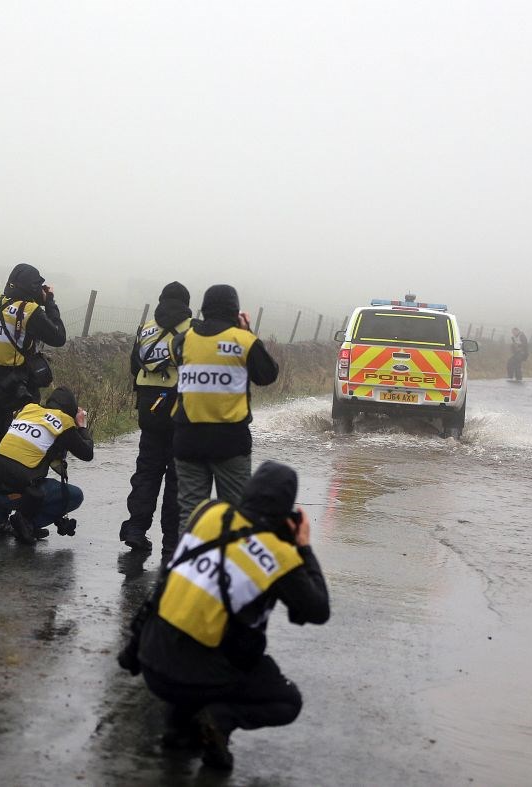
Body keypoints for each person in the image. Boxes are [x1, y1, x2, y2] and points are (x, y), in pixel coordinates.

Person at [135, 460, 329, 771]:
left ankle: (180, 726)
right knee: (286, 700)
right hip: (194, 676)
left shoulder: (208, 513)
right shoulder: (280, 556)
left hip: (151, 662)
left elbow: (166, 580)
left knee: (198, 629)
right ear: (286, 513)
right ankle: (221, 718)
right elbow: (318, 610)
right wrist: (304, 547)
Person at [170, 284, 278, 532]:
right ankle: (231, 568)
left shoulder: (182, 341)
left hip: (188, 439)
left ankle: (190, 568)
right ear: (235, 310)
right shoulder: (243, 340)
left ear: (204, 309)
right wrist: (246, 329)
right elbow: (267, 375)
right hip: (230, 441)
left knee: (191, 514)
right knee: (237, 513)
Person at [0, 264, 67, 533]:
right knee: (24, 445)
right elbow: (58, 336)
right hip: (18, 387)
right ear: (32, 288)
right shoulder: (31, 311)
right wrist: (51, 303)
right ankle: (19, 515)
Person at [118, 281, 194, 558]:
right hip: (181, 410)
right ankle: (171, 542)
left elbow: (133, 366)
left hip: (149, 409)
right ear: (187, 303)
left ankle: (136, 529)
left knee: (147, 471)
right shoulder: (192, 329)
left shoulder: (146, 328)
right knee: (177, 478)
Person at [0, 386, 93, 544]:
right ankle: (27, 524)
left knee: (12, 466)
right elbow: (87, 453)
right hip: (19, 495)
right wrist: (81, 426)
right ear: (70, 410)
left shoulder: (29, 409)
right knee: (75, 495)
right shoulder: (63, 420)